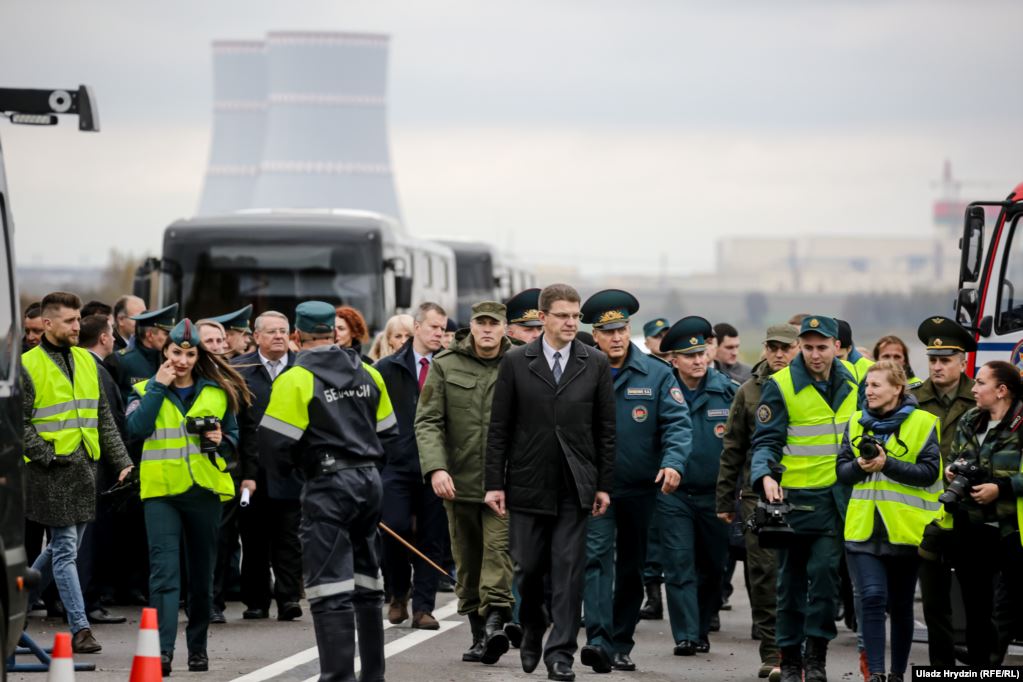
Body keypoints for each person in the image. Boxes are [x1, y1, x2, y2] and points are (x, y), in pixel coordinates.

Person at [258, 300, 398, 682]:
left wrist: (300, 474)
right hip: (369, 481)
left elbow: (272, 445)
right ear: (334, 334)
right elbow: (390, 434)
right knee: (368, 585)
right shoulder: (370, 373)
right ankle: (373, 675)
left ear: (296, 336)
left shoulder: (296, 379)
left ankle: (337, 677)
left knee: (329, 589)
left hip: (327, 484)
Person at [485, 283, 616, 682]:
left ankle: (560, 654)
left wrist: (603, 484)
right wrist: (495, 483)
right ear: (543, 318)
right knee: (528, 569)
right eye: (563, 315)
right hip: (527, 482)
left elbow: (606, 430)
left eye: (576, 316)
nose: (571, 322)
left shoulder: (594, 362)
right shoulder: (515, 361)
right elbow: (499, 427)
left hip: (574, 485)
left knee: (569, 572)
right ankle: (531, 626)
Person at [125, 318, 249, 675]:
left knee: (201, 575)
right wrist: (158, 387)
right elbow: (135, 429)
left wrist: (221, 440)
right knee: (164, 575)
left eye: (189, 354)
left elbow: (234, 437)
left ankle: (198, 649)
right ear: (164, 351)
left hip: (204, 492)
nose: (181, 360)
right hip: (161, 493)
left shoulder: (218, 391)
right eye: (175, 353)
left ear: (198, 357)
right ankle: (163, 652)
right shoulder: (144, 389)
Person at [579, 290, 690, 673]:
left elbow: (677, 424)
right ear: (595, 335)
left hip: (640, 488)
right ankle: (598, 640)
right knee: (595, 560)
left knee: (631, 566)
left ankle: (620, 642)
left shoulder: (656, 374)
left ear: (630, 330)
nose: (616, 337)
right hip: (594, 488)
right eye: (608, 331)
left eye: (622, 329)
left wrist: (673, 463)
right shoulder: (580, 371)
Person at [23, 292, 133, 653]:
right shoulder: (27, 365)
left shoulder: (87, 361)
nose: (77, 326)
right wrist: (49, 456)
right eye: (70, 320)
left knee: (60, 549)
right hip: (50, 473)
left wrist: (123, 462)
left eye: (77, 319)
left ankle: (17, 604)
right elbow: (17, 424)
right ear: (47, 323)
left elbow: (102, 417)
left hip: (85, 470)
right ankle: (80, 628)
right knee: (66, 550)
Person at [750, 315, 859, 682]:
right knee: (790, 586)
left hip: (835, 501)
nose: (815, 355)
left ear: (837, 347)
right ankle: (790, 659)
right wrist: (765, 475)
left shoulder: (854, 380)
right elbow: (766, 440)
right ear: (799, 347)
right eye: (808, 347)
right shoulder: (781, 385)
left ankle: (816, 657)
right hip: (793, 503)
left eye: (822, 347)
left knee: (826, 581)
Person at [416, 301, 515, 665]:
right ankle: (479, 635)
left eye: (494, 323)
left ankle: (495, 624)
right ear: (471, 326)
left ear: (504, 328)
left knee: (498, 553)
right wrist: (436, 469)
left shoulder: (520, 363)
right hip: (459, 482)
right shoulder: (445, 364)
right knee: (468, 561)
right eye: (481, 323)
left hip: (506, 483)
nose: (487, 329)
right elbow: (428, 421)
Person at [836, 361, 941, 682]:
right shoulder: (855, 422)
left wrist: (887, 464)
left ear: (897, 388)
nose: (868, 391)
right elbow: (842, 472)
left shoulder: (923, 423)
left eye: (876, 385)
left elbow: (929, 473)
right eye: (867, 385)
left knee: (901, 605)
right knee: (871, 597)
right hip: (863, 530)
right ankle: (876, 674)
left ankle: (897, 673)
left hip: (904, 532)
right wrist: (860, 465)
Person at [716, 323, 799, 680]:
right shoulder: (748, 391)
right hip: (757, 495)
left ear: (797, 349)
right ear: (765, 349)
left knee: (801, 574)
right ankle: (773, 651)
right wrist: (724, 499)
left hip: (804, 492)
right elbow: (732, 448)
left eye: (786, 348)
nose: (779, 354)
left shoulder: (812, 388)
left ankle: (801, 649)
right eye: (773, 347)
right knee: (764, 573)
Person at [657, 316, 736, 657]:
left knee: (713, 566)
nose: (698, 360)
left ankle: (701, 627)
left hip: (715, 495)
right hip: (673, 495)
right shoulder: (662, 391)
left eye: (702, 353)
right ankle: (686, 635)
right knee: (679, 563)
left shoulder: (728, 392)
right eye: (689, 356)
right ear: (673, 360)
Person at [375, 303, 450, 629]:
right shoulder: (386, 367)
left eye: (443, 328)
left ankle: (423, 607)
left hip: (438, 466)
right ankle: (397, 591)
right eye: (434, 327)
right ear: (417, 327)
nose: (439, 333)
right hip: (396, 463)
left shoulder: (449, 366)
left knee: (433, 537)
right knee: (393, 529)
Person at [945, 360, 1023, 667]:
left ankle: (995, 656)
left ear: (1001, 390)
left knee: (1011, 602)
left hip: (1011, 528)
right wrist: (952, 472)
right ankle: (981, 662)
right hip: (972, 525)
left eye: (980, 383)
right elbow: (955, 457)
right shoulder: (970, 419)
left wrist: (999, 488)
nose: (974, 388)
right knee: (975, 604)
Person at [910, 316, 976, 667]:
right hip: (928, 515)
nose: (937, 366)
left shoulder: (980, 397)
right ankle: (941, 669)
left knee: (977, 600)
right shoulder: (912, 399)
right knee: (934, 604)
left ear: (962, 362)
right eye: (933, 359)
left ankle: (983, 667)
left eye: (945, 360)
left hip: (972, 513)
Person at [234, 311, 304, 622]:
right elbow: (237, 424)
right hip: (254, 470)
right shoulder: (240, 369)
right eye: (271, 331)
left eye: (283, 331)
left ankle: (289, 598)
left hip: (292, 468)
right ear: (256, 336)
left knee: (289, 537)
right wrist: (243, 471)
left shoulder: (302, 367)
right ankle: (256, 600)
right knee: (254, 538)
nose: (278, 336)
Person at [76, 313, 129, 626]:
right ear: (104, 337)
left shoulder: (85, 367)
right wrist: (121, 463)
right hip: (98, 468)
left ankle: (76, 601)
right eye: (111, 332)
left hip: (89, 465)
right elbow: (110, 423)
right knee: (90, 541)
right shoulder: (96, 371)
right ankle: (87, 603)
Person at [109, 303, 179, 399]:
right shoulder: (121, 360)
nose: (171, 338)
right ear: (150, 335)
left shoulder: (170, 359)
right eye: (166, 334)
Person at [837, 319, 873, 384]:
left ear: (849, 349)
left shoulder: (871, 370)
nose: (834, 362)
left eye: (839, 357)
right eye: (831, 357)